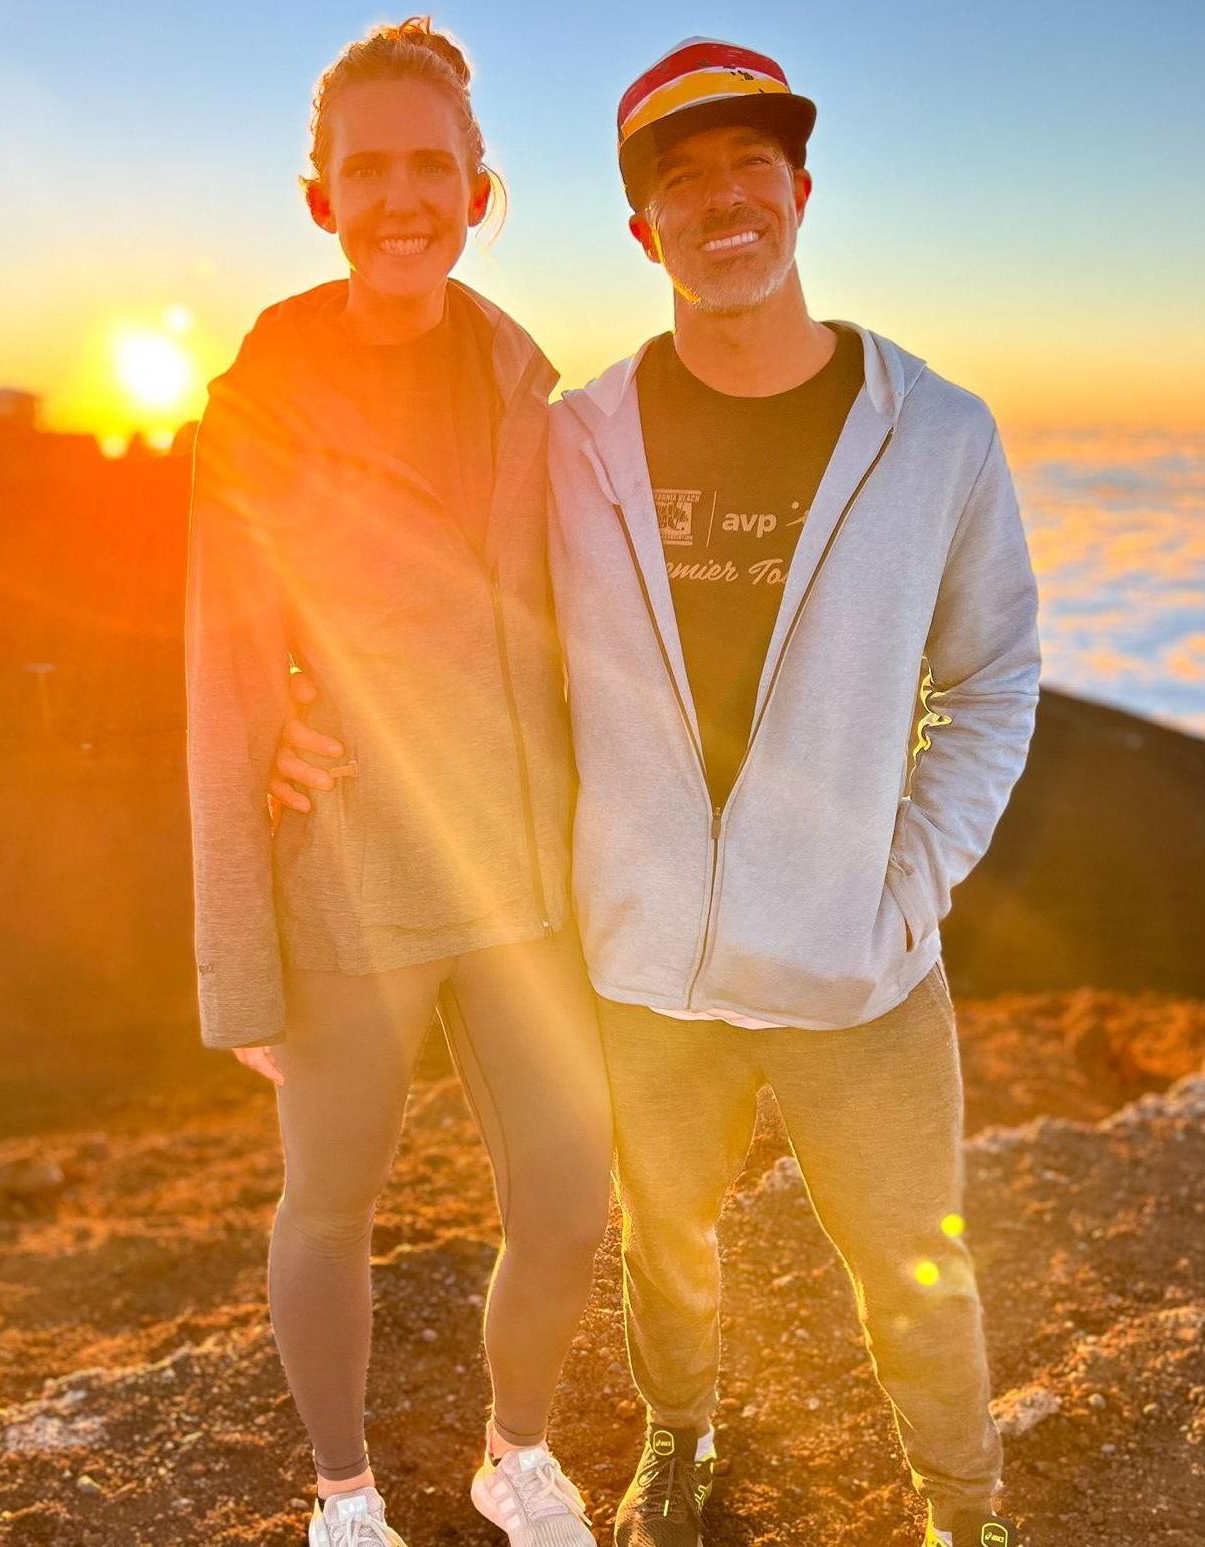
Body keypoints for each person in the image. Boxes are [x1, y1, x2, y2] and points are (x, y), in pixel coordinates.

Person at [272, 33, 1038, 1547]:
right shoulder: (574, 442)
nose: (724, 201)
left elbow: (992, 678)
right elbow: (431, 612)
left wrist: (907, 887)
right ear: (644, 231)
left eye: (754, 164)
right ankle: (679, 1442)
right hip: (642, 963)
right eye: (682, 182)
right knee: (664, 1246)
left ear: (803, 191)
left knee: (914, 1263)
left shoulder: (937, 432)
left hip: (855, 967)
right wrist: (286, 711)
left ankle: (964, 1506)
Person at [184, 19, 612, 1547]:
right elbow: (218, 671)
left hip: (518, 872)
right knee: (329, 1208)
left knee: (569, 1195)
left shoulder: (525, 388)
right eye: (368, 169)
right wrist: (239, 945)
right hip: (350, 874)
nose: (401, 195)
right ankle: (347, 1498)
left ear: (480, 187)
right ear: (322, 197)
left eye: (432, 164)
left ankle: (517, 1453)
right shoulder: (253, 406)